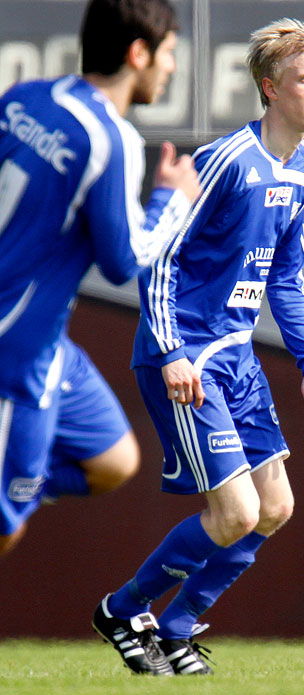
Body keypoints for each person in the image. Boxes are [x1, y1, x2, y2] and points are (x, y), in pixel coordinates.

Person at [93, 17, 304, 676]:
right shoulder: (224, 161)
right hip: (186, 355)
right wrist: (170, 350)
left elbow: (284, 275)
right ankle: (121, 608)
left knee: (275, 508)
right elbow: (159, 258)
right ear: (269, 87)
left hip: (235, 356)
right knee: (234, 513)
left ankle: (172, 627)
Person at [0, 0, 200, 558]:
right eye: (169, 55)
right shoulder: (111, 141)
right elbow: (123, 261)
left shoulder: (24, 97)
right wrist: (173, 198)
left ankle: (13, 477)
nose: (172, 68)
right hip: (16, 354)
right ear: (138, 53)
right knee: (5, 529)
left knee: (113, 460)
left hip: (44, 338)